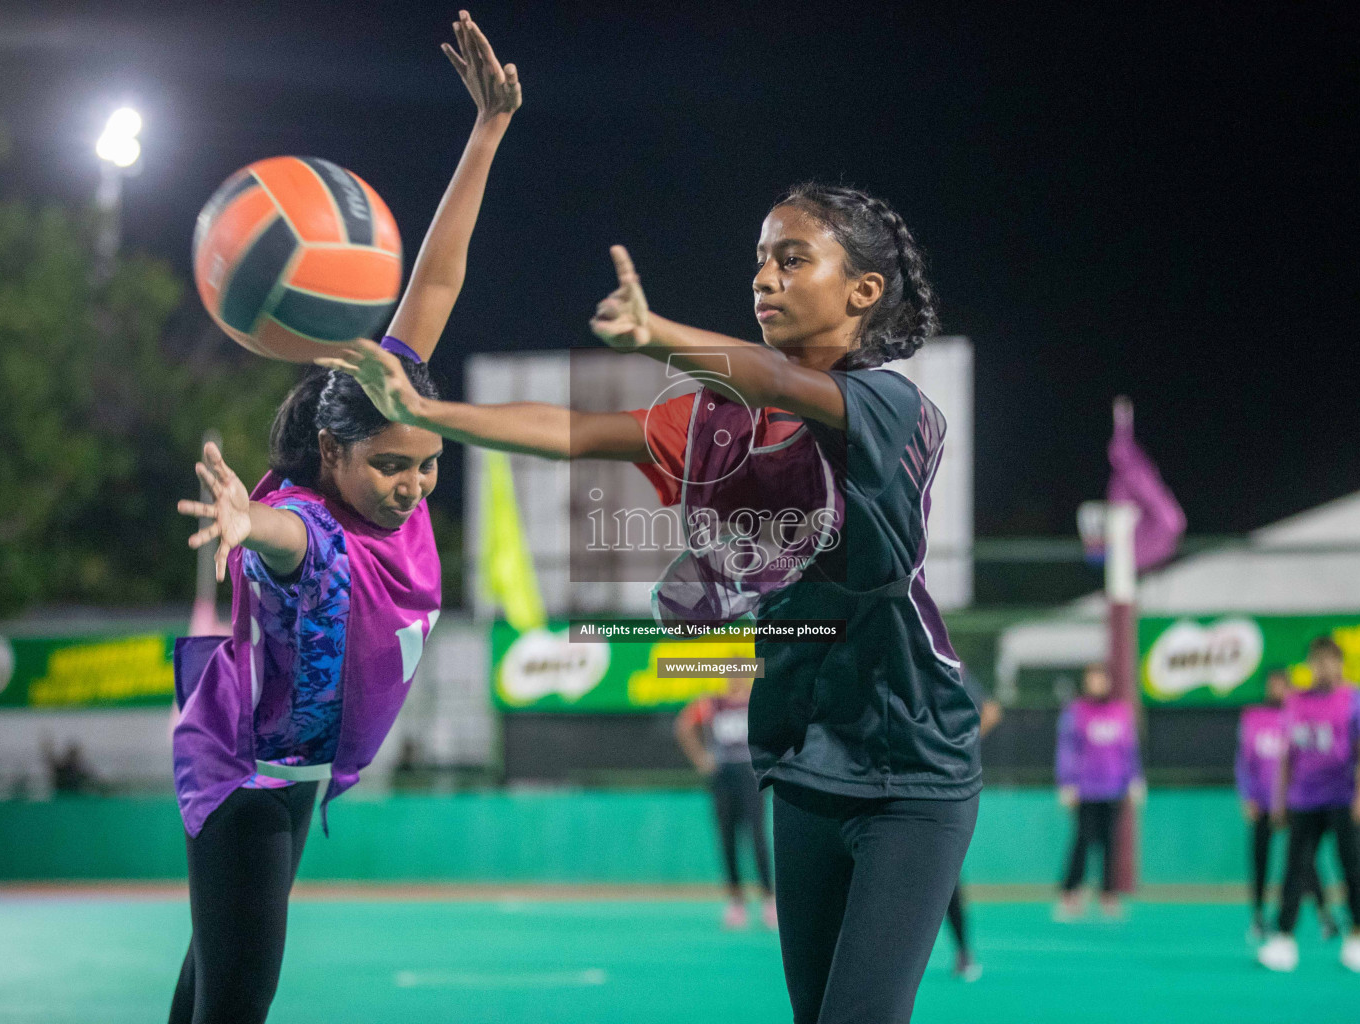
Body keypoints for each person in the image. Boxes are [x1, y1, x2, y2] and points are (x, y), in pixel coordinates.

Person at [323, 183, 982, 1024]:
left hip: (915, 766)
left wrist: (660, 334)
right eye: (758, 262)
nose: (764, 279)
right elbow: (576, 432)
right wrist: (427, 411)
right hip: (810, 753)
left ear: (864, 292)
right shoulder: (723, 421)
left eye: (792, 260)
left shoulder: (893, 405)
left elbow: (783, 379)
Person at [167, 14, 519, 1023]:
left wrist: (488, 128)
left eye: (426, 467)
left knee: (211, 976)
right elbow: (284, 544)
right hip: (247, 779)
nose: (411, 485)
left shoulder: (391, 402)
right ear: (331, 454)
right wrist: (244, 525)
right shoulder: (306, 526)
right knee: (240, 994)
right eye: (390, 468)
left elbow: (436, 280)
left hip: (285, 767)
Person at [1258, 635, 1360, 974]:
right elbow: (1286, 755)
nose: (1323, 668)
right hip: (1304, 798)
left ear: (1340, 664)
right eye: (1317, 660)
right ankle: (1284, 938)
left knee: (1352, 866)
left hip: (1343, 798)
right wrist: (1279, 800)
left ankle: (1357, 935)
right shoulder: (1295, 702)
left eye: (1330, 661)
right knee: (1294, 870)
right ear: (1309, 664)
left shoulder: (1357, 699)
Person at [1237, 667, 1336, 942]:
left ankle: (1324, 915)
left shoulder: (1298, 716)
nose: (1277, 690)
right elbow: (1244, 762)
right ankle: (1258, 916)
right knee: (1259, 860)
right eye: (1273, 685)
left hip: (1295, 802)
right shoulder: (1252, 717)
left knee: (1305, 861)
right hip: (1263, 803)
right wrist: (1248, 796)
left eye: (1283, 685)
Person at [675, 675, 776, 929]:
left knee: (757, 838)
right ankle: (736, 901)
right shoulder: (713, 703)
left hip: (750, 775)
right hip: (723, 776)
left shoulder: (755, 702)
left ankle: (768, 899)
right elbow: (683, 726)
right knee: (727, 838)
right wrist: (701, 759)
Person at [1054, 663, 1144, 921]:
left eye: (1100, 679)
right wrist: (1066, 782)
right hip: (1085, 789)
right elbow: (1067, 749)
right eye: (1092, 679)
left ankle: (1108, 894)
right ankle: (1071, 892)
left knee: (1110, 843)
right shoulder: (1076, 712)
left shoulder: (1121, 712)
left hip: (1113, 788)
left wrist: (1135, 779)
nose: (1096, 684)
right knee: (1082, 840)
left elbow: (1129, 749)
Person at [941, 670, 1001, 981]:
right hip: (880, 786)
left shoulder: (951, 667)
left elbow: (991, 710)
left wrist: (962, 742)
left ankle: (963, 951)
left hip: (934, 789)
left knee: (947, 876)